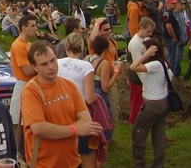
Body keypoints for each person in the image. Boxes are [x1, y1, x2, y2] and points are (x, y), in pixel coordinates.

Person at [21, 40, 103, 168]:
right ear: (34, 67)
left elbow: (86, 119)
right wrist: (75, 130)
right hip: (44, 164)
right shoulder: (31, 91)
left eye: (53, 60)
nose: (51, 67)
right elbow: (39, 128)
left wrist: (56, 131)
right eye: (44, 64)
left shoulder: (69, 85)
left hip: (73, 161)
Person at [129, 39, 172, 168]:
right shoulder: (164, 64)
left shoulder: (155, 65)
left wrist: (145, 55)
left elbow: (133, 67)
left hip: (153, 105)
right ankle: (159, 165)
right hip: (163, 103)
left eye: (145, 49)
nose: (143, 51)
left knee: (138, 132)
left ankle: (139, 165)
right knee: (158, 137)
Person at [57, 33, 98, 168]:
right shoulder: (86, 66)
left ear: (66, 46)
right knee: (85, 150)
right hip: (79, 112)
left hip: (60, 110)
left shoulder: (56, 63)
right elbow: (90, 98)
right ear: (82, 47)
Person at [85, 35, 122, 145]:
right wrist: (117, 71)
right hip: (99, 95)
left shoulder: (87, 58)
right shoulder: (103, 63)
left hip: (88, 93)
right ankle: (102, 146)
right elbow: (105, 87)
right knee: (103, 121)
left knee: (91, 120)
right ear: (106, 48)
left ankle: (91, 145)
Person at [9, 15, 38, 157]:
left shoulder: (29, 45)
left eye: (35, 25)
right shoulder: (19, 45)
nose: (35, 28)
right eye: (32, 26)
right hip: (23, 86)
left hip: (30, 85)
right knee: (21, 127)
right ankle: (20, 157)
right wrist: (41, 67)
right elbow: (27, 71)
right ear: (23, 28)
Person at [88, 17, 120, 127]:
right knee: (105, 111)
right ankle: (105, 138)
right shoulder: (96, 45)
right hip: (99, 81)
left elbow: (115, 58)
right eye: (105, 30)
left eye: (109, 28)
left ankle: (110, 138)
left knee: (114, 108)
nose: (109, 31)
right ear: (99, 31)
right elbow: (91, 39)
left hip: (111, 78)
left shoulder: (113, 42)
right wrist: (97, 23)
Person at [127, 17, 156, 124]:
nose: (151, 34)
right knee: (136, 103)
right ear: (141, 28)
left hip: (143, 76)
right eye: (148, 31)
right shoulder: (135, 44)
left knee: (141, 103)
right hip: (137, 78)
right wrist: (145, 82)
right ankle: (133, 124)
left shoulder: (143, 40)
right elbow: (137, 65)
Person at [163, 0, 181, 77]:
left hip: (170, 39)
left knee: (173, 58)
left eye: (175, 3)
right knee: (172, 59)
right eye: (173, 3)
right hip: (170, 39)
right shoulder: (168, 13)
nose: (175, 5)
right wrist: (174, 38)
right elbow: (168, 26)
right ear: (167, 4)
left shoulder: (169, 13)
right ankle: (170, 76)